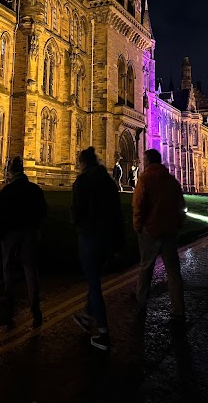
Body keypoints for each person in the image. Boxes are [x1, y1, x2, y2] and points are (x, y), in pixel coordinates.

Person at [71, 147, 124, 351]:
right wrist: (119, 242)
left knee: (94, 286)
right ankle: (86, 316)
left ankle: (103, 334)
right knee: (95, 280)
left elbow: (76, 211)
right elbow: (118, 213)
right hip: (109, 239)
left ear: (83, 163)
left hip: (90, 237)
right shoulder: (109, 182)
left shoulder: (82, 181)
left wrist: (77, 226)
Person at [132, 148, 186, 326]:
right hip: (170, 232)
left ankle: (141, 303)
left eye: (144, 160)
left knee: (146, 268)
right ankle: (178, 311)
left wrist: (138, 226)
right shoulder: (171, 180)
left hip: (151, 231)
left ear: (148, 162)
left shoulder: (145, 178)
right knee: (173, 272)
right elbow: (181, 206)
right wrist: (178, 225)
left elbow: (138, 204)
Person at [0, 156, 47, 328]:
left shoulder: (7, 191)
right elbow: (42, 211)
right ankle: (35, 310)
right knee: (31, 271)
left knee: (8, 267)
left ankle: (10, 304)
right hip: (29, 233)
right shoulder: (35, 190)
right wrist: (37, 229)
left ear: (11, 172)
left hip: (10, 235)